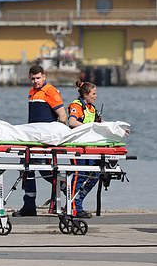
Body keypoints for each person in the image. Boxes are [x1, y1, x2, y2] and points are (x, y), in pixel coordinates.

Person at [13, 65, 67, 217]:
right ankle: (29, 205)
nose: (36, 81)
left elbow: (62, 116)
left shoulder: (50, 91)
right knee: (26, 168)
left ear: (44, 76)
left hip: (46, 139)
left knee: (45, 171)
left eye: (38, 78)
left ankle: (66, 188)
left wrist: (57, 137)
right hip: (33, 138)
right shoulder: (32, 92)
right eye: (33, 78)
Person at [67, 80, 102, 219]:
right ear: (86, 94)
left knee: (94, 176)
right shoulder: (76, 105)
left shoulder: (92, 108)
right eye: (93, 93)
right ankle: (75, 208)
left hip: (91, 147)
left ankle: (76, 201)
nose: (96, 96)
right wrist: (89, 127)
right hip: (78, 147)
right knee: (79, 175)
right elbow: (72, 121)